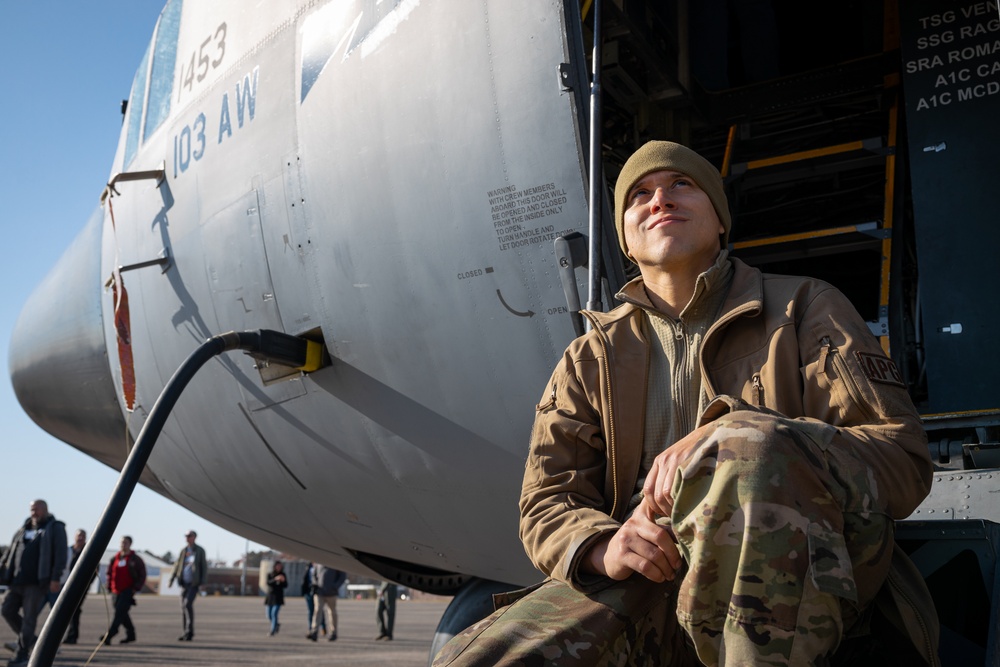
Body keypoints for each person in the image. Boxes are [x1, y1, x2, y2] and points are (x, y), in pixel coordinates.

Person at [433, 141, 940, 666]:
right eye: (640, 195)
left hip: (796, 580)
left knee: (748, 446)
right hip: (648, 582)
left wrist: (734, 431)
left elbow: (901, 461)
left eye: (682, 185)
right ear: (627, 240)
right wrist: (600, 546)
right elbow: (546, 503)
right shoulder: (590, 357)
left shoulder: (806, 308)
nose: (660, 200)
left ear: (720, 221)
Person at [0, 500, 67, 667]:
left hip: (37, 583)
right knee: (7, 610)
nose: (33, 513)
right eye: (31, 509)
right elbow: (10, 553)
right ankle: (34, 642)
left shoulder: (54, 528)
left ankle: (21, 654)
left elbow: (60, 554)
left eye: (36, 509)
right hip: (16, 581)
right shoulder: (24, 529)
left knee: (30, 618)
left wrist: (55, 578)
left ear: (45, 509)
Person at [99, 536, 146, 645]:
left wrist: (136, 588)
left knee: (119, 613)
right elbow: (109, 573)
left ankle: (110, 634)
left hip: (128, 591)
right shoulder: (114, 558)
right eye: (122, 542)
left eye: (126, 542)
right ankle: (131, 634)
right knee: (122, 614)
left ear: (130, 544)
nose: (123, 544)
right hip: (115, 591)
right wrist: (109, 585)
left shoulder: (135, 559)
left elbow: (142, 575)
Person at [168, 530, 207, 641]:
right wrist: (171, 579)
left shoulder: (199, 551)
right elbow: (177, 565)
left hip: (194, 584)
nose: (187, 537)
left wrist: (203, 582)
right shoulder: (183, 551)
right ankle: (185, 632)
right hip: (183, 583)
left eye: (189, 536)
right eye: (186, 536)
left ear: (194, 537)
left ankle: (189, 632)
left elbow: (204, 567)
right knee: (183, 607)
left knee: (187, 604)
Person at [62, 529, 90, 644]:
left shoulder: (89, 551)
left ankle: (72, 636)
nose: (80, 538)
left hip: (80, 586)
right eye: (79, 536)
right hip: (65, 584)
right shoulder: (68, 550)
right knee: (65, 611)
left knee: (74, 610)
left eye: (83, 536)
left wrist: (85, 584)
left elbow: (93, 571)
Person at [306, 565, 345, 642]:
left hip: (331, 593)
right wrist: (315, 583)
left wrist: (335, 586)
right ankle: (314, 631)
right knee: (317, 611)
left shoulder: (335, 563)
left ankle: (333, 632)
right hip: (320, 592)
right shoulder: (319, 563)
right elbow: (314, 574)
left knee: (332, 612)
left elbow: (342, 576)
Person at [301, 563, 326, 636]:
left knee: (319, 610)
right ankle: (311, 628)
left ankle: (323, 627)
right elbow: (305, 579)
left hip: (319, 591)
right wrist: (303, 591)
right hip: (309, 592)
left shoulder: (321, 566)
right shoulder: (308, 567)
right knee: (311, 611)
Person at [264, 560, 287, 636]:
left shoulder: (283, 574)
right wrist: (275, 579)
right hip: (270, 597)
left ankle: (272, 631)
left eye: (280, 566)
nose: (279, 567)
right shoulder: (270, 574)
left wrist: (283, 581)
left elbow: (286, 585)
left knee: (274, 614)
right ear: (275, 566)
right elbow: (268, 583)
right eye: (278, 566)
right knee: (269, 615)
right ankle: (276, 624)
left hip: (278, 597)